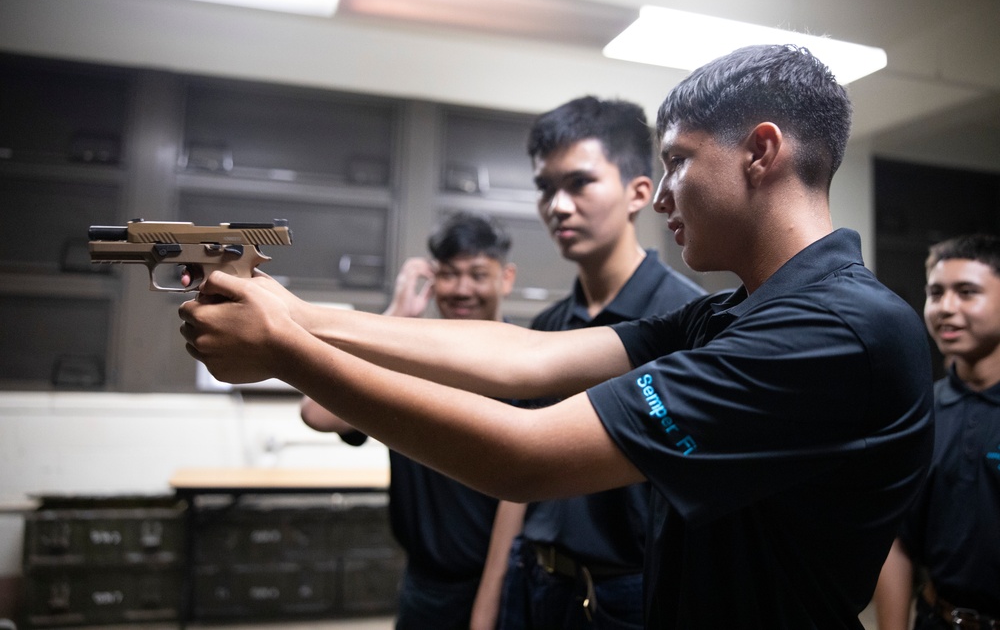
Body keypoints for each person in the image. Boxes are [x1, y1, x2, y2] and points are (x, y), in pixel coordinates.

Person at [179, 44, 934, 628]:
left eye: (676, 161)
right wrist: (294, 310)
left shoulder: (832, 331)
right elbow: (529, 357)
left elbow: (526, 456)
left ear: (761, 152)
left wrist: (285, 349)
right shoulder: (737, 312)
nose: (662, 193)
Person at [488, 96, 704, 630]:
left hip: (626, 595)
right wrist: (489, 602)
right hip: (534, 581)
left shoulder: (686, 321)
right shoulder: (547, 329)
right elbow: (521, 477)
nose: (557, 206)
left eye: (579, 183)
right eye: (545, 188)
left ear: (637, 193)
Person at [301, 211, 518, 630]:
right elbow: (317, 413)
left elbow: (522, 500)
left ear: (505, 278)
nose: (462, 290)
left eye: (477, 274)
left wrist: (487, 608)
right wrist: (397, 313)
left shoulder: (525, 364)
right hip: (425, 585)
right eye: (450, 275)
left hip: (503, 583)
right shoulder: (408, 360)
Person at [873, 234, 1000, 630]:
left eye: (966, 292)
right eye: (935, 292)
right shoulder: (916, 412)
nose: (945, 308)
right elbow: (897, 540)